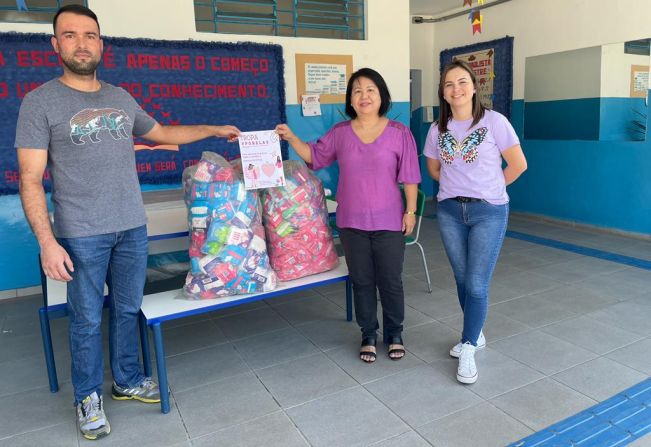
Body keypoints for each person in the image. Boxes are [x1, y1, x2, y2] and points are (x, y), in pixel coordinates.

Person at [14, 5, 240, 440]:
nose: (82, 43)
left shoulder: (120, 98)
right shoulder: (40, 102)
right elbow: (29, 177)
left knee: (125, 309)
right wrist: (47, 242)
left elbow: (164, 133)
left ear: (102, 43)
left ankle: (127, 380)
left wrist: (213, 129)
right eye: (71, 35)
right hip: (81, 233)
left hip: (132, 227)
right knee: (84, 319)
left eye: (90, 35)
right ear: (55, 45)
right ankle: (86, 396)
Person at [276, 68, 421, 364]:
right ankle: (368, 333)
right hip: (352, 221)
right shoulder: (340, 133)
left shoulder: (399, 132)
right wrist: (291, 137)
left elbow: (410, 177)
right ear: (350, 100)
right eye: (357, 91)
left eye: (370, 90)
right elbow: (314, 156)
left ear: (381, 96)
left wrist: (410, 211)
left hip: (390, 220)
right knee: (362, 280)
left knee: (391, 281)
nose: (364, 96)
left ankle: (394, 332)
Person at [423, 60, 527, 384]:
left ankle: (468, 345)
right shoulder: (437, 128)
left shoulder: (495, 122)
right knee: (461, 278)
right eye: (449, 84)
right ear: (443, 91)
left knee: (477, 283)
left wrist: (490, 188)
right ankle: (476, 333)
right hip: (450, 212)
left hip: (488, 212)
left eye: (462, 81)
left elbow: (518, 164)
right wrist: (458, 185)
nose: (457, 88)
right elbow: (434, 169)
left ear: (473, 86)